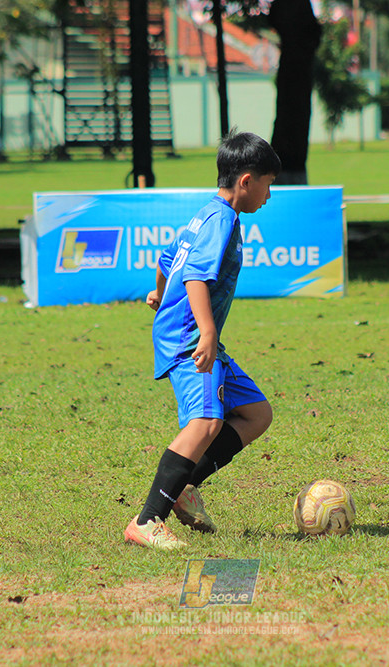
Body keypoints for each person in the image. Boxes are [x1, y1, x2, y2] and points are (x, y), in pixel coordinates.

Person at [123, 130, 280, 550]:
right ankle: (147, 519)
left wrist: (158, 292)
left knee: (255, 413)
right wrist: (207, 332)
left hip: (190, 330)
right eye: (267, 184)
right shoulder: (223, 220)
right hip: (190, 336)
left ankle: (183, 486)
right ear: (246, 181)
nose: (269, 194)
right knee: (207, 421)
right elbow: (194, 275)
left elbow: (168, 259)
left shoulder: (205, 215)